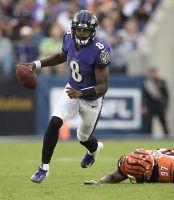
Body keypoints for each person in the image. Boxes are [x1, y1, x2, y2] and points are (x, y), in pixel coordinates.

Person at [17, 10, 110, 183]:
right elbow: (62, 55)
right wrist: (36, 64)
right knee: (54, 122)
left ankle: (94, 150)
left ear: (93, 31)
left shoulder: (100, 49)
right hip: (72, 90)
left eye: (86, 31)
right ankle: (44, 168)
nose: (81, 34)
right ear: (73, 29)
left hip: (91, 99)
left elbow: (103, 87)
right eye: (79, 30)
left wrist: (81, 93)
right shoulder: (68, 37)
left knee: (83, 138)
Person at [84, 98, 174, 185]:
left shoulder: (163, 169)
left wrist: (168, 178)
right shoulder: (131, 161)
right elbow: (117, 175)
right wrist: (100, 182)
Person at [142, 67, 169, 136]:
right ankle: (149, 137)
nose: (153, 74)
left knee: (163, 122)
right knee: (149, 123)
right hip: (150, 105)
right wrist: (144, 105)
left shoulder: (161, 82)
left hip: (159, 105)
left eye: (155, 72)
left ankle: (167, 136)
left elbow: (166, 95)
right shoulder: (147, 83)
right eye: (152, 73)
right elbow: (144, 95)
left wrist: (166, 106)